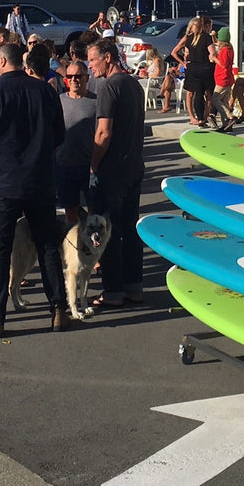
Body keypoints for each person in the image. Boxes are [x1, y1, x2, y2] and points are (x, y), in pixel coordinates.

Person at [0, 42, 70, 336]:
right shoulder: (45, 91)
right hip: (40, 179)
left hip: (5, 181)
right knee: (47, 245)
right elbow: (58, 135)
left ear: (0, 61)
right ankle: (58, 309)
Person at [86, 36, 146, 311]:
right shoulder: (134, 85)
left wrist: (94, 162)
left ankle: (112, 291)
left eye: (93, 60)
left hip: (113, 168)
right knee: (130, 228)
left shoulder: (110, 86)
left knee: (106, 229)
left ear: (107, 58)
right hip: (134, 165)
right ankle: (134, 285)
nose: (90, 67)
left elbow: (104, 131)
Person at [57, 59, 97, 226]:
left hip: (90, 165)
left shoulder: (97, 101)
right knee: (70, 209)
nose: (74, 79)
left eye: (78, 76)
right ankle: (73, 244)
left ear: (87, 78)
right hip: (64, 165)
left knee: (95, 209)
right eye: (70, 76)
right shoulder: (59, 100)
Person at [172, 16, 215, 126]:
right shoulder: (198, 37)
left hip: (195, 68)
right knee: (198, 93)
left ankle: (199, 117)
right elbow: (212, 53)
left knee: (198, 93)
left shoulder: (193, 38)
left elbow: (174, 52)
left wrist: (183, 63)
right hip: (200, 67)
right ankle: (198, 117)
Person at [211, 27, 236, 130]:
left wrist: (214, 58)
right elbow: (216, 43)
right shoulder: (229, 48)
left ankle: (230, 116)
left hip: (223, 79)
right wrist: (213, 36)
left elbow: (224, 64)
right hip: (228, 78)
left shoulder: (225, 50)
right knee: (224, 101)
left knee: (215, 99)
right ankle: (226, 125)